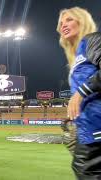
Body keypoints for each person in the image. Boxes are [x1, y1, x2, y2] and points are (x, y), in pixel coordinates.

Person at [57, 7, 101, 179]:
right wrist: (74, 117)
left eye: (69, 20)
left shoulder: (92, 39)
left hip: (97, 128)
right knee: (82, 169)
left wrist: (80, 93)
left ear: (82, 21)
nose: (63, 25)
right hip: (89, 128)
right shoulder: (78, 56)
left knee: (85, 171)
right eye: (61, 23)